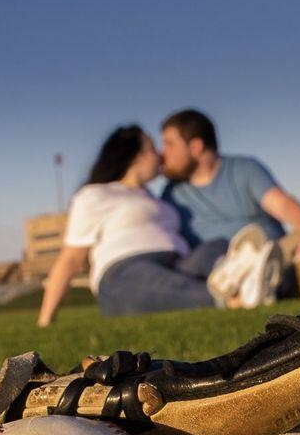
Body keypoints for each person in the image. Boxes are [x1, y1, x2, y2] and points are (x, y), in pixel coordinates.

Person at [37, 125, 279, 324]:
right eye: (153, 149)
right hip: (125, 272)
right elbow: (70, 259)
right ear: (134, 156)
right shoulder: (95, 195)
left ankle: (242, 275)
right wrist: (46, 320)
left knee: (215, 247)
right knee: (162, 285)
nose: (161, 155)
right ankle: (237, 297)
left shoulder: (158, 198)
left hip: (177, 263)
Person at [158, 108, 300, 298]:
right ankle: (269, 282)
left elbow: (282, 204)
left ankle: (279, 276)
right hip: (216, 265)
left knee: (288, 247)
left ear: (196, 147)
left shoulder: (244, 169)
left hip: (269, 253)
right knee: (204, 256)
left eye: (169, 144)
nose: (163, 153)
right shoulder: (171, 193)